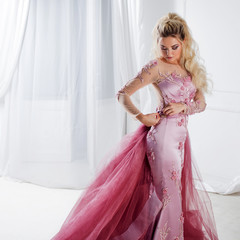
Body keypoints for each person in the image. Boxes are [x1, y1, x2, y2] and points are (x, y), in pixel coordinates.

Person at [51, 12, 219, 240]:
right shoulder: (156, 67)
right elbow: (122, 95)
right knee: (169, 194)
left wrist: (183, 107)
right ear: (157, 45)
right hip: (163, 138)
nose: (168, 53)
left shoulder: (190, 70)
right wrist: (142, 117)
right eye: (163, 47)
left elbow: (201, 104)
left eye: (174, 47)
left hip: (180, 141)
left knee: (169, 194)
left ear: (183, 43)